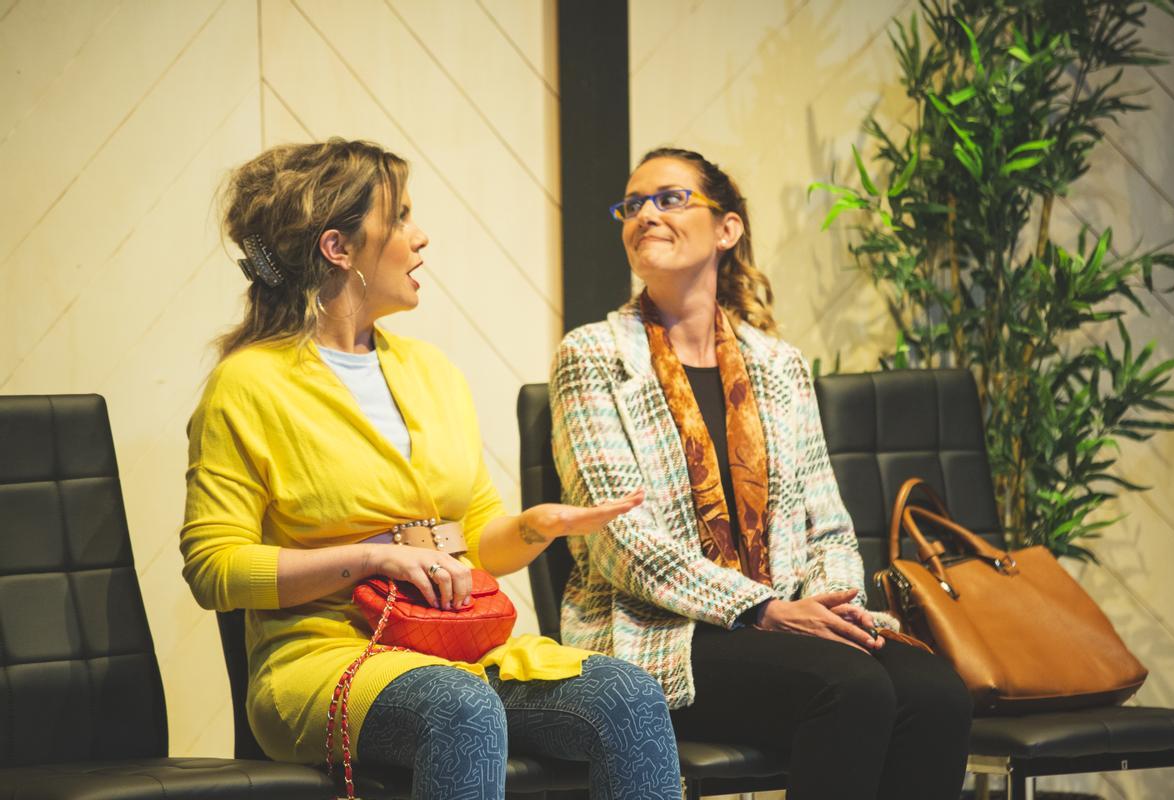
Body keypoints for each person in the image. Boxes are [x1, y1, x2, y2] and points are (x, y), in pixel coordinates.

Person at [180, 138, 683, 800]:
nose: (421, 238)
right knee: (460, 710)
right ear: (339, 247)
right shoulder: (247, 385)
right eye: (402, 217)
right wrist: (371, 558)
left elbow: (475, 540)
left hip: (454, 651)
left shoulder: (432, 371)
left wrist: (535, 527)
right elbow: (214, 569)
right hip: (324, 660)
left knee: (627, 694)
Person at [549, 147, 972, 800]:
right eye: (632, 205)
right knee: (850, 689)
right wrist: (764, 609)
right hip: (659, 634)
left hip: (792, 621)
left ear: (727, 230)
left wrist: (831, 608)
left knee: (936, 695)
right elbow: (617, 540)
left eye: (669, 198)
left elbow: (828, 523)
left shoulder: (779, 365)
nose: (644, 215)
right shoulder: (592, 355)